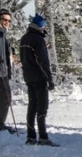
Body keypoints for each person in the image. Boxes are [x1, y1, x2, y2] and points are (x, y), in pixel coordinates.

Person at [19, 13, 58, 146]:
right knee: (42, 108)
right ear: (39, 26)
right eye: (43, 26)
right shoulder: (38, 39)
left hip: (28, 77)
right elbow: (42, 61)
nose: (44, 29)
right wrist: (49, 79)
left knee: (32, 107)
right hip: (39, 77)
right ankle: (43, 137)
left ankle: (30, 136)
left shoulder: (24, 39)